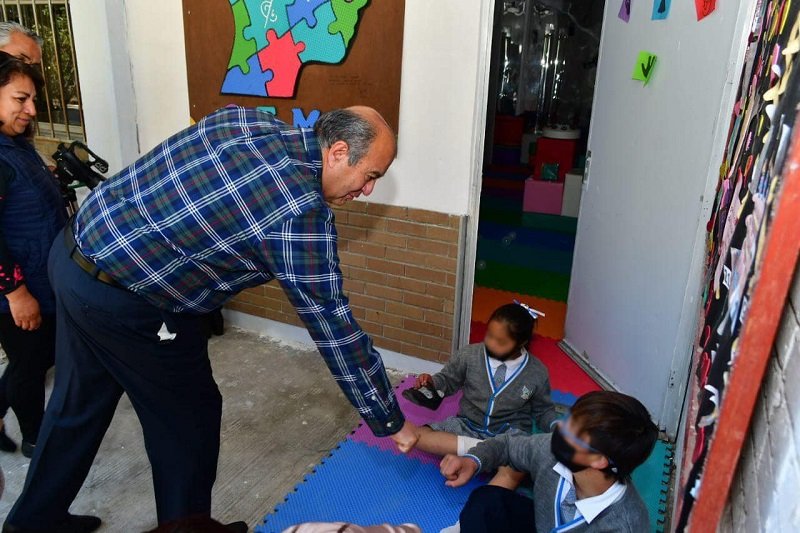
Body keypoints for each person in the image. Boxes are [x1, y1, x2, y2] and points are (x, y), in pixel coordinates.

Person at [3, 105, 417, 533]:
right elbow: (333, 326)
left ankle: (31, 522)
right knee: (187, 424)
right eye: (370, 175)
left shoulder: (249, 121)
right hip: (132, 300)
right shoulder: (299, 212)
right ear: (338, 151)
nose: (368, 190)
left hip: (76, 253)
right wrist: (390, 419)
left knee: (77, 401)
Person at [439, 390, 658, 532]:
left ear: (599, 460)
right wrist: (474, 461)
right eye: (569, 419)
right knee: (488, 501)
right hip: (540, 526)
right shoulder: (550, 452)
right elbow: (508, 446)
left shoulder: (625, 525)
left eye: (573, 431)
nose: (561, 428)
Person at [409, 302, 558, 488]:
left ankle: (480, 462)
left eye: (500, 342)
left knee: (515, 467)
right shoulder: (469, 355)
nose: (490, 344)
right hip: (467, 426)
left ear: (521, 343)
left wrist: (556, 426)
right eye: (489, 335)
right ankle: (481, 451)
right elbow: (447, 380)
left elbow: (543, 411)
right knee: (415, 436)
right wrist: (432, 383)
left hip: (508, 436)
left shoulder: (537, 372)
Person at [0, 51, 64, 460]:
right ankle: (37, 442)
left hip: (42, 278)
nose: (31, 110)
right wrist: (16, 293)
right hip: (19, 291)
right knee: (29, 366)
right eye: (20, 99)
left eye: (33, 100)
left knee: (35, 358)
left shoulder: (15, 145)